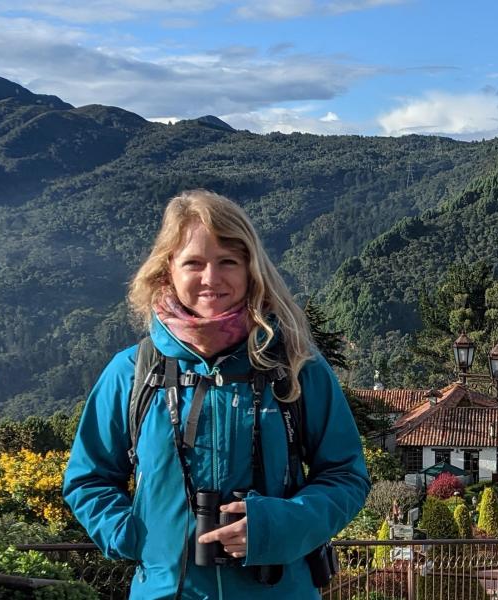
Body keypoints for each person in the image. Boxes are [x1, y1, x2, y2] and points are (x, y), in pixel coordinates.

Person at [63, 190, 370, 599]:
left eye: (228, 261)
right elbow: (88, 479)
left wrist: (276, 526)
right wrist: (135, 536)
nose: (212, 278)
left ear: (250, 269)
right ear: (167, 269)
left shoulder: (296, 366)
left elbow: (346, 475)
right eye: (194, 263)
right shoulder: (133, 372)